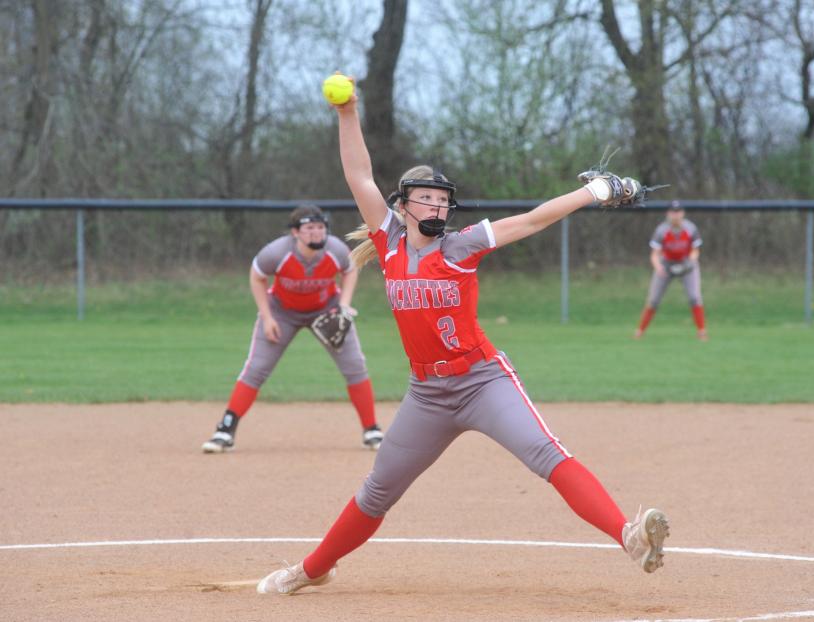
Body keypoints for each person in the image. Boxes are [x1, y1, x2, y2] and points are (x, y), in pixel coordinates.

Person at [255, 84, 669, 595]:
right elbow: (358, 173)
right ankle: (311, 571)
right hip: (427, 395)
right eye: (425, 197)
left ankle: (628, 536)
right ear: (402, 206)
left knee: (548, 454)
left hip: (482, 380)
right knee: (377, 492)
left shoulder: (462, 245)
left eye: (442, 198)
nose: (436, 204)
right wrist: (349, 110)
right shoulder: (386, 240)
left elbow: (534, 219)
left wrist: (593, 192)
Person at [200, 204, 384, 453]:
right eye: (309, 228)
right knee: (256, 369)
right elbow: (257, 277)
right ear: (295, 232)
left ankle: (371, 429)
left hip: (326, 309)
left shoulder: (336, 249)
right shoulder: (276, 252)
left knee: (355, 366)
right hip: (282, 312)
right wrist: (267, 317)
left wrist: (343, 305)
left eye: (321, 227)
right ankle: (225, 430)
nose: (317, 233)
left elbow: (349, 270)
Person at [634, 201, 708, 341]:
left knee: (695, 297)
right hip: (666, 265)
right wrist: (658, 267)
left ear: (683, 213)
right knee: (653, 300)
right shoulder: (662, 230)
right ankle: (639, 332)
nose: (676, 215)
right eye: (673, 212)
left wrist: (691, 262)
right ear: (668, 214)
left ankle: (702, 332)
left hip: (687, 265)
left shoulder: (690, 228)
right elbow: (655, 254)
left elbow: (695, 251)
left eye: (678, 212)